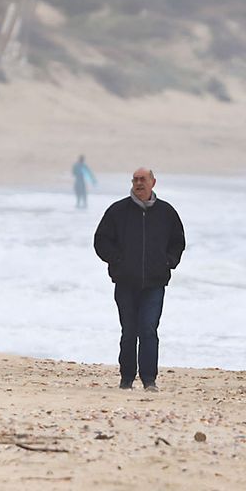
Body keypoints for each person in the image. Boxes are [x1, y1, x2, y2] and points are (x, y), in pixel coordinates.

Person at [93, 168, 185, 392]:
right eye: (135, 180)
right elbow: (101, 240)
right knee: (129, 331)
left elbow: (178, 241)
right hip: (125, 282)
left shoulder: (166, 212)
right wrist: (117, 260)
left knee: (149, 330)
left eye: (143, 179)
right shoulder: (118, 211)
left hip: (155, 283)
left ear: (153, 182)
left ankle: (149, 379)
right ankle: (126, 378)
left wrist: (168, 261)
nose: (138, 183)